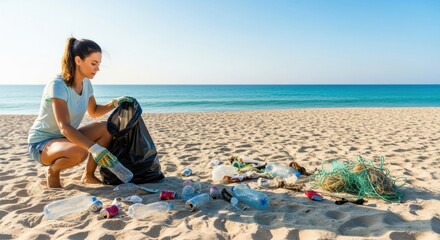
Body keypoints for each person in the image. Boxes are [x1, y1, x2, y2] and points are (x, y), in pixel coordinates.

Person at [28, 37, 130, 188]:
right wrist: (94, 149)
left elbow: (94, 111)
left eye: (98, 64)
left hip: (65, 138)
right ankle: (53, 170)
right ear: (78, 60)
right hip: (42, 144)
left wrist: (114, 103)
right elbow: (64, 127)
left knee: (106, 128)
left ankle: (88, 175)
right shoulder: (58, 85)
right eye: (94, 63)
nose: (97, 68)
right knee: (81, 151)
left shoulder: (86, 84)